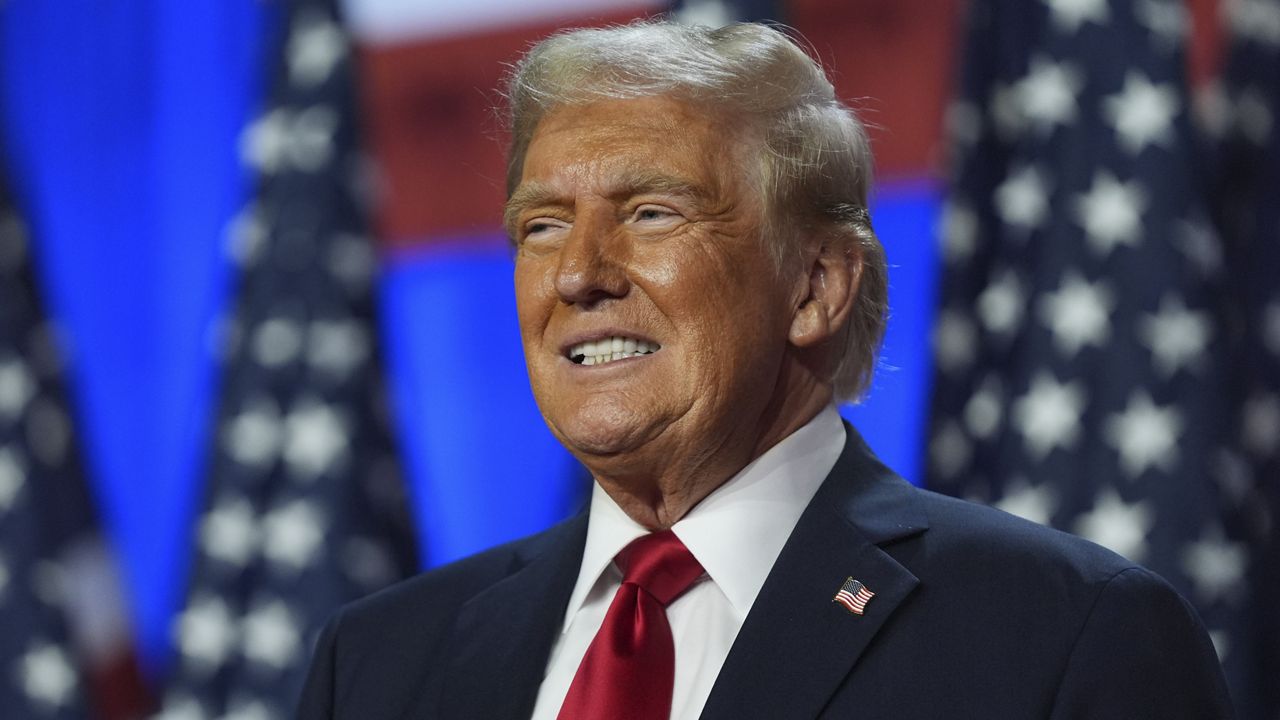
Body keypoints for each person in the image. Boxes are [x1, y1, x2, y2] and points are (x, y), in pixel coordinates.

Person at [296, 21, 1232, 719]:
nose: (577, 274)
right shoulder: (378, 665)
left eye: (652, 213)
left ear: (815, 288)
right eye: (541, 226)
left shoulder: (1062, 637)